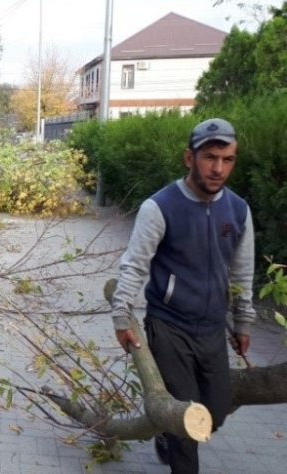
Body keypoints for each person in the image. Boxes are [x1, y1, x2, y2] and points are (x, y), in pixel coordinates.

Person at [111, 118, 255, 473]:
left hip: (211, 329)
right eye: (210, 158)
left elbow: (241, 272)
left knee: (215, 412)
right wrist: (121, 317)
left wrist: (243, 321)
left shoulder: (238, 210)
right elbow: (134, 265)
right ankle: (173, 435)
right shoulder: (160, 207)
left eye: (228, 159)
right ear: (188, 158)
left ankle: (164, 430)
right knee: (187, 426)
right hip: (168, 326)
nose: (218, 168)